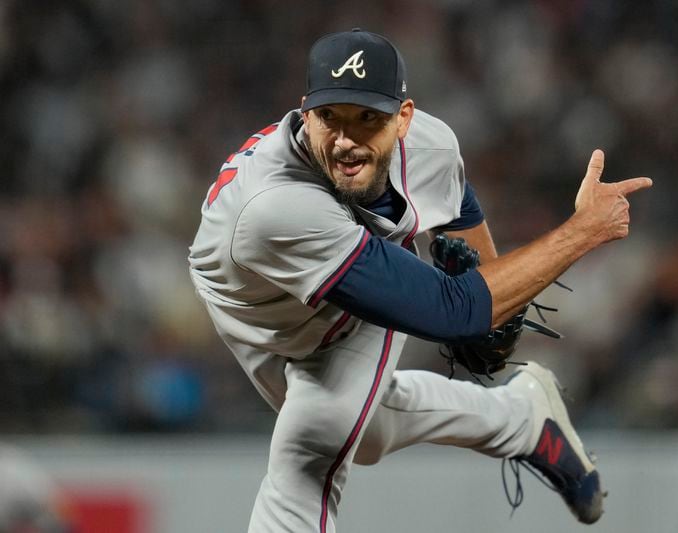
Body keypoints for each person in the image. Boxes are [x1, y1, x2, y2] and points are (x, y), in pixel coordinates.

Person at [188, 29, 652, 532]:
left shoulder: (430, 144)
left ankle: (519, 418)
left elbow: (463, 226)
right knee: (366, 432)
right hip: (253, 315)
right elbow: (453, 311)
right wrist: (579, 233)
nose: (347, 139)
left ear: (404, 118)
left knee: (312, 443)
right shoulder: (277, 206)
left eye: (369, 117)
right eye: (330, 117)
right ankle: (520, 417)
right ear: (305, 113)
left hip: (348, 299)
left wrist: (496, 307)